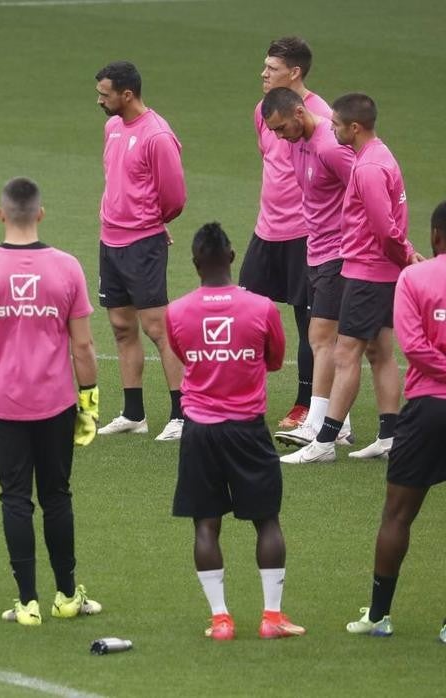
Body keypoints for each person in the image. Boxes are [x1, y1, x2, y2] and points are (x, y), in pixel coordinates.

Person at [0, 178, 103, 626]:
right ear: (40, 213)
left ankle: (27, 603)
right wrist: (90, 401)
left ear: (1, 213)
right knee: (57, 496)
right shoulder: (67, 268)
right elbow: (83, 347)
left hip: (3, 404)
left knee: (15, 499)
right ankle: (65, 596)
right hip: (57, 403)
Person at [166, 222, 304, 641]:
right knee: (267, 521)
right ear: (231, 257)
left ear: (195, 264)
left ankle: (221, 620)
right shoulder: (262, 308)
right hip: (247, 429)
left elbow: (183, 354)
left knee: (205, 525)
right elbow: (275, 360)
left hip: (200, 431)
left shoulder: (177, 312)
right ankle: (272, 617)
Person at [282, 93, 421, 464]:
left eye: (337, 125)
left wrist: (407, 255)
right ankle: (389, 436)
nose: (331, 129)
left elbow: (384, 228)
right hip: (380, 272)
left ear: (354, 128)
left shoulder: (368, 168)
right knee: (380, 352)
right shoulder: (380, 155)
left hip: (367, 271)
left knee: (346, 354)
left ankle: (325, 441)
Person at [346, 201, 446, 641]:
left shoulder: (413, 277)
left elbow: (413, 346)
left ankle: (379, 616)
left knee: (397, 515)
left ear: (436, 236)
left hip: (426, 410)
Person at [92, 61, 188, 441]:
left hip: (142, 244)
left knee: (157, 329)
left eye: (105, 94)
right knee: (120, 327)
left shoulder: (157, 135)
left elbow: (175, 198)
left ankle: (182, 414)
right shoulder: (112, 127)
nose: (99, 100)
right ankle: (134, 414)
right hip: (109, 241)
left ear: (126, 95)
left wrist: (150, 223)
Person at [258, 88, 357, 450]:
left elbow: (364, 187)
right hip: (315, 250)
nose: (280, 137)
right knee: (341, 340)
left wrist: (355, 240)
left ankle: (317, 428)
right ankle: (341, 425)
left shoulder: (330, 146)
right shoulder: (295, 142)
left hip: (338, 252)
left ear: (300, 113)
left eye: (283, 127)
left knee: (321, 337)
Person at [242, 37, 331, 429]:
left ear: (294, 72)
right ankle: (240, 395)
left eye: (271, 68)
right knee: (244, 309)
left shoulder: (321, 116)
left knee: (307, 321)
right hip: (267, 228)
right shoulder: (262, 112)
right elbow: (271, 163)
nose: (263, 73)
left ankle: (305, 404)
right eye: (264, 66)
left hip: (304, 233)